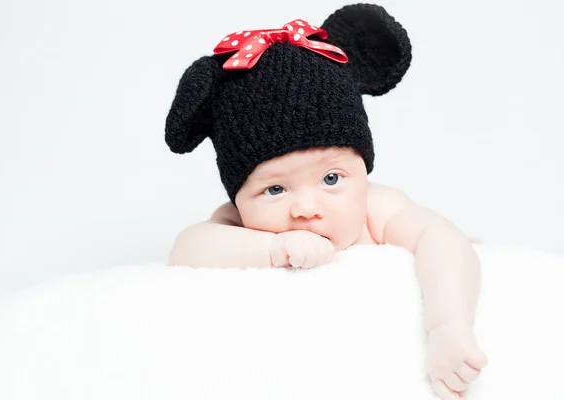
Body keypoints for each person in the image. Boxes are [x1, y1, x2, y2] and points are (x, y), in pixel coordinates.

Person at [164, 3, 488, 399]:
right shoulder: (240, 223)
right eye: (275, 190)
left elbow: (441, 240)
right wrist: (273, 248)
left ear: (363, 172)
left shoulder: (377, 208)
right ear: (240, 196)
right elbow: (187, 248)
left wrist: (447, 328)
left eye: (331, 179)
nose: (305, 208)